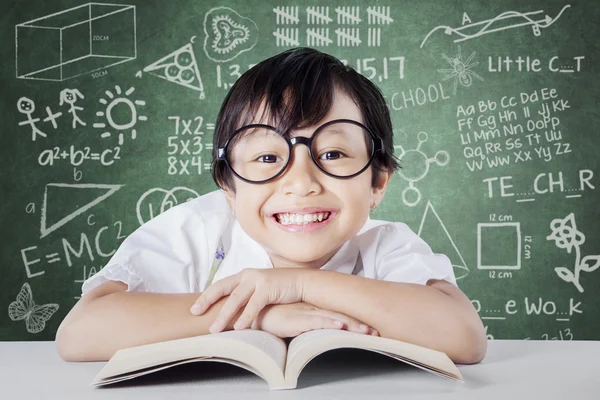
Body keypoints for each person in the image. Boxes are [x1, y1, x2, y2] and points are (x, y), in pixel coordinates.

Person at [55, 47, 487, 364]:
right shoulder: (197, 231)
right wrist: (262, 315)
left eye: (333, 154)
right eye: (266, 158)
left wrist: (299, 286)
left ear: (378, 182)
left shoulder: (387, 246)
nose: (300, 182)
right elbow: (79, 333)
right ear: (229, 186)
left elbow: (465, 338)